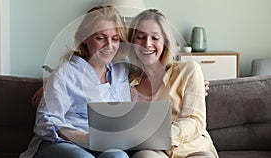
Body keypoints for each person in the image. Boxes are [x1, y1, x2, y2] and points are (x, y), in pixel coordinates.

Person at [20, 6, 131, 158]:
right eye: (100, 38)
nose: (109, 46)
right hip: (61, 143)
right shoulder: (67, 72)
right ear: (85, 38)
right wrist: (87, 139)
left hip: (103, 146)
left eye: (115, 39)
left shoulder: (121, 72)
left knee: (119, 156)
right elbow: (45, 121)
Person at [127, 9, 218, 158]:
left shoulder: (188, 70)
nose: (147, 44)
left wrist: (158, 136)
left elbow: (194, 122)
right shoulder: (127, 82)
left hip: (193, 149)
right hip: (154, 151)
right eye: (140, 37)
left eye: (155, 38)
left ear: (166, 42)